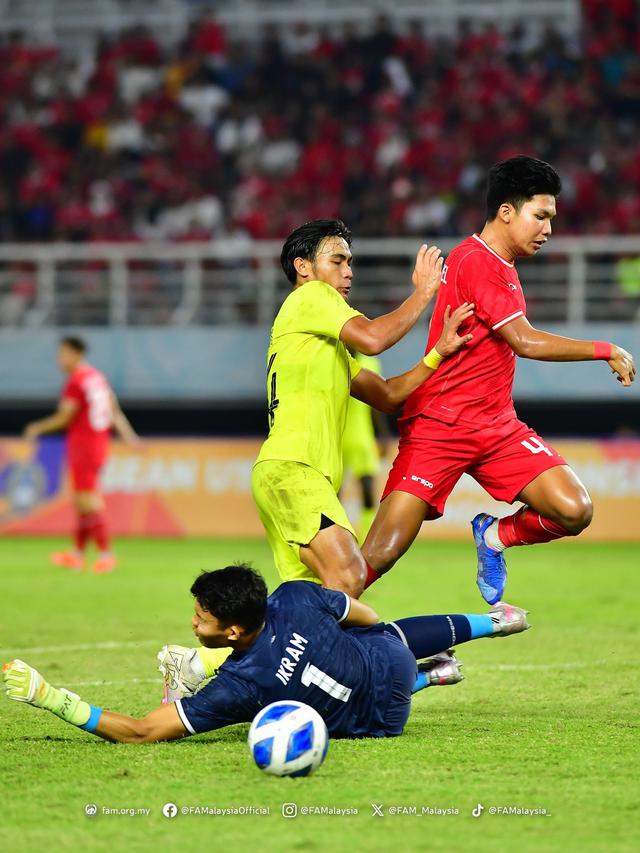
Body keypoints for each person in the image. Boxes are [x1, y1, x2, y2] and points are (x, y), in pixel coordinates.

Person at [361, 156, 636, 604]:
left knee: (574, 509)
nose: (548, 229)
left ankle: (494, 536)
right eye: (540, 216)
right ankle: (292, 634)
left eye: (552, 218)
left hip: (496, 427)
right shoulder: (476, 261)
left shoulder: (500, 264)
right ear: (507, 211)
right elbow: (524, 341)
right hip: (439, 427)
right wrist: (604, 349)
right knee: (377, 556)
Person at [2, 564, 530, 742]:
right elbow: (364, 617)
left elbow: (142, 731)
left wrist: (50, 697)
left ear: (232, 632)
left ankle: (430, 679)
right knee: (386, 633)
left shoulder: (239, 686)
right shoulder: (295, 596)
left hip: (383, 721)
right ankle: (493, 621)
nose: (192, 622)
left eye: (201, 619)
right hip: (386, 664)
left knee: (331, 694)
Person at [251, 218, 474, 596]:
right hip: (295, 469)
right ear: (303, 267)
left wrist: (437, 354)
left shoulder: (322, 345)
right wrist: (423, 294)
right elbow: (372, 338)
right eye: (337, 261)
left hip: (288, 473)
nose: (348, 272)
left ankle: (206, 658)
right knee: (350, 574)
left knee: (311, 601)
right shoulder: (311, 296)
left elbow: (386, 395)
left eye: (349, 263)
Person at [23, 336, 142, 573]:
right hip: (98, 444)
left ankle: (106, 555)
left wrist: (37, 427)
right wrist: (130, 437)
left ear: (76, 353)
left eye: (63, 354)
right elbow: (114, 412)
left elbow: (64, 417)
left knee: (89, 499)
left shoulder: (76, 382)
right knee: (81, 501)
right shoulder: (97, 378)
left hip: (84, 445)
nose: (59, 360)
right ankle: (76, 554)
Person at [341, 351, 390, 541]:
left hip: (362, 435)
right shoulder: (334, 358)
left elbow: (376, 402)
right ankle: (339, 539)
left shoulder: (371, 364)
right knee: (334, 493)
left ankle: (366, 539)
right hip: (337, 436)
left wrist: (383, 434)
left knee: (368, 490)